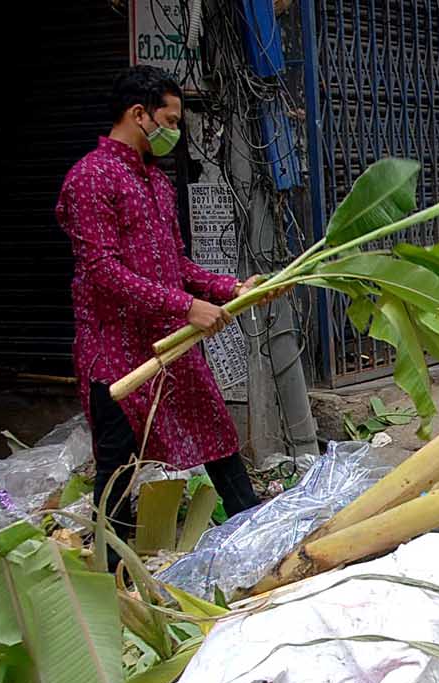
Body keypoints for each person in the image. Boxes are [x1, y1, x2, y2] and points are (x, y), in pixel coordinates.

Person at [57, 65, 265, 564]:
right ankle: (114, 580)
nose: (176, 131)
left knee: (217, 433)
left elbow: (174, 264)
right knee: (118, 469)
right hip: (118, 354)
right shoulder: (90, 178)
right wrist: (186, 305)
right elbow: (103, 271)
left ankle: (259, 539)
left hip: (171, 342)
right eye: (170, 119)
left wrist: (230, 287)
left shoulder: (155, 181)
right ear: (138, 114)